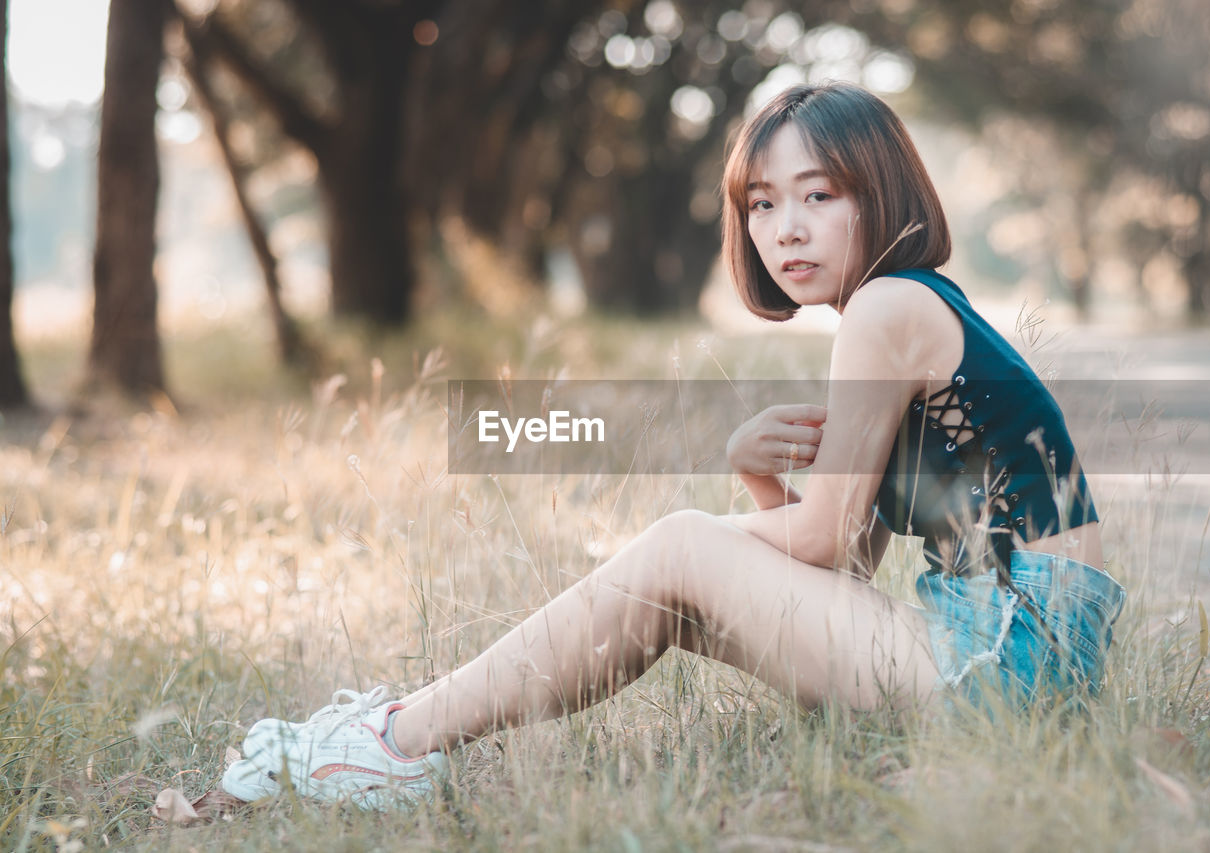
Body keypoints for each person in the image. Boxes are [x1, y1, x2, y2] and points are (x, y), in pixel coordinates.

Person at [221, 82, 1126, 811]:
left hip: (1008, 659)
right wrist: (755, 475)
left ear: (881, 192)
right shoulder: (902, 311)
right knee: (676, 585)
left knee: (681, 544)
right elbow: (844, 564)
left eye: (819, 194)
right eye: (763, 203)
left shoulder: (890, 308)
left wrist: (722, 524)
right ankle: (400, 732)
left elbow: (816, 549)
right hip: (1006, 652)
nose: (787, 228)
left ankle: (389, 744)